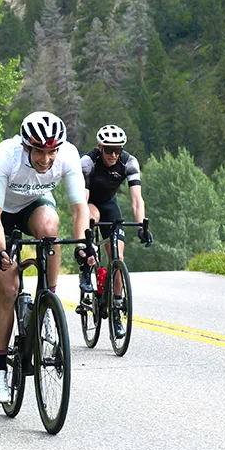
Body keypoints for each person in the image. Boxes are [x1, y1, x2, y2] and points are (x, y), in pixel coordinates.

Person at [0, 111, 97, 403]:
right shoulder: (6, 156)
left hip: (33, 205)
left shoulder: (68, 155)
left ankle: (48, 299)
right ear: (26, 146)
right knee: (7, 289)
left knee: (49, 228)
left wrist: (83, 243)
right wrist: (2, 250)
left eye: (51, 152)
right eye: (39, 152)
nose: (46, 160)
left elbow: (79, 208)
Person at [80, 124, 153, 339]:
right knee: (92, 217)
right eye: (109, 150)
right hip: (89, 202)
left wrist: (142, 225)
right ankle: (86, 264)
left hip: (110, 205)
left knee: (118, 257)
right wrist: (86, 233)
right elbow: (82, 200)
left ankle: (116, 309)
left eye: (117, 150)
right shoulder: (87, 162)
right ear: (100, 147)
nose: (113, 154)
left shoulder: (128, 162)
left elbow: (136, 199)